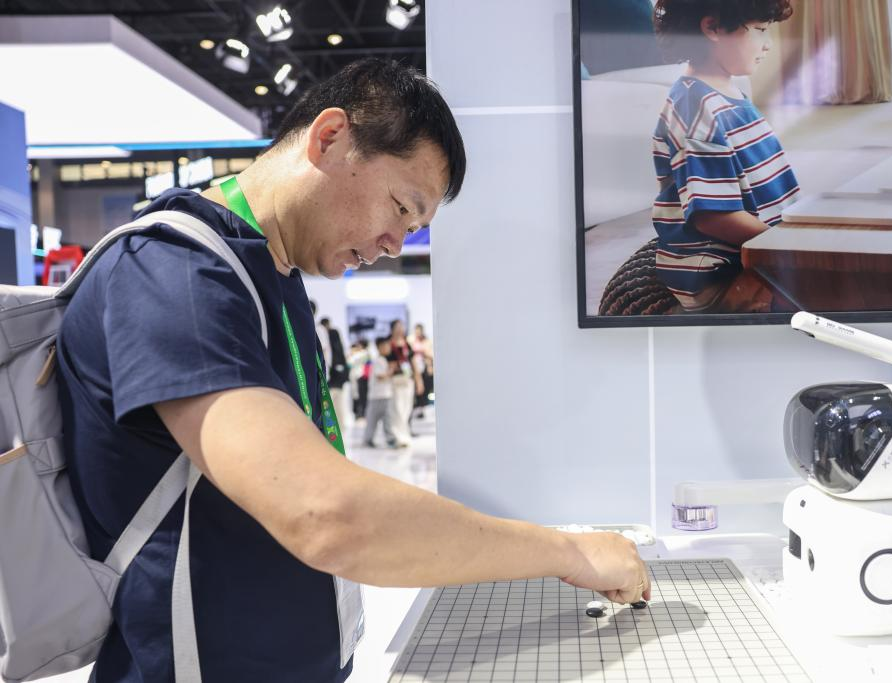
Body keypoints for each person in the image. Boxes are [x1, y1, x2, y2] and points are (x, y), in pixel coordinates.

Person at [56, 57, 649, 683]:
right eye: (400, 207)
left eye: (413, 228)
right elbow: (326, 515)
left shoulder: (271, 273)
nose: (396, 244)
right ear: (331, 136)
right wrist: (570, 551)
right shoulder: (175, 271)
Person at [650, 0, 800, 313]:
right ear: (713, 27)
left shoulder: (726, 93)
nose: (768, 44)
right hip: (720, 271)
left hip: (755, 248)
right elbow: (713, 217)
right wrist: (786, 245)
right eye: (760, 30)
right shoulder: (695, 105)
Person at [386, 318, 418, 445]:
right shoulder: (389, 343)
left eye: (402, 326)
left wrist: (418, 379)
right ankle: (396, 436)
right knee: (396, 409)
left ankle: (405, 434)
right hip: (395, 380)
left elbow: (413, 362)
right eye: (397, 327)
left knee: (406, 408)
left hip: (407, 380)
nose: (400, 329)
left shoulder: (407, 344)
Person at [362, 336, 398, 448]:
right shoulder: (378, 360)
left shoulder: (382, 360)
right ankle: (368, 439)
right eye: (386, 346)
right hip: (377, 396)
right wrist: (391, 371)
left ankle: (390, 439)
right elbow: (380, 376)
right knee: (373, 419)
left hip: (384, 395)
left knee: (388, 419)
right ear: (380, 347)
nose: (388, 348)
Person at [321, 316, 353, 431]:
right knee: (339, 404)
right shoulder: (335, 337)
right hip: (339, 378)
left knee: (331, 404)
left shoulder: (329, 335)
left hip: (332, 378)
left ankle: (332, 428)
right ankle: (339, 427)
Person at [409, 322, 434, 416]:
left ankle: (422, 409)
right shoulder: (410, 340)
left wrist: (423, 352)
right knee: (415, 390)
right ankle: (416, 408)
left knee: (425, 389)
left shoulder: (427, 341)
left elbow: (431, 355)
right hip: (414, 370)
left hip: (424, 369)